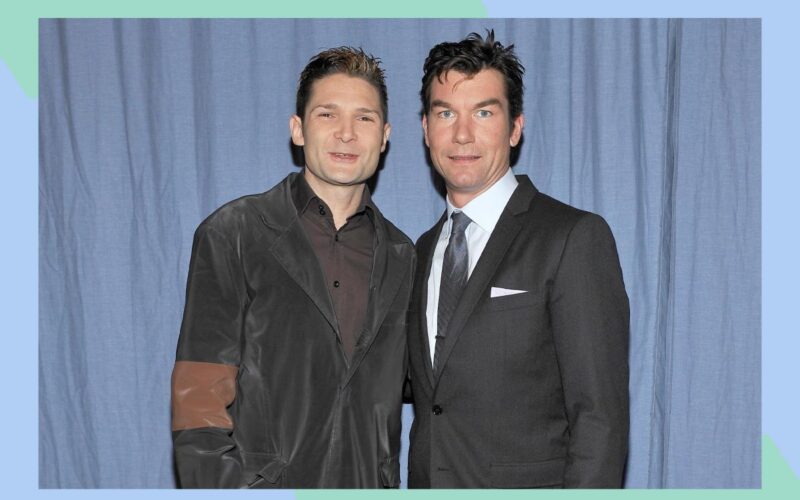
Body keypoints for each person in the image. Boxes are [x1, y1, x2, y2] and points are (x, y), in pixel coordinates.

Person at [170, 47, 415, 488]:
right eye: (327, 115)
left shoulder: (404, 256)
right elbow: (198, 402)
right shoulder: (234, 233)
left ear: (384, 136)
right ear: (298, 129)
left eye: (364, 118)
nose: (346, 133)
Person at [406, 31, 630, 488]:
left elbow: (599, 419)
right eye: (445, 113)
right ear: (426, 129)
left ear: (515, 128)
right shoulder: (421, 250)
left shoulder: (571, 238)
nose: (462, 134)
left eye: (483, 112)